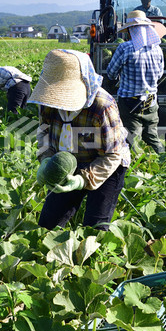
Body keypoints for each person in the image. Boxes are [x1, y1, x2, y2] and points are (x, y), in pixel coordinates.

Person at [28, 49, 130, 231]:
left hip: (107, 165)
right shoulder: (47, 102)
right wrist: (45, 160)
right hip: (67, 164)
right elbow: (43, 133)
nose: (58, 100)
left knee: (94, 228)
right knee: (47, 225)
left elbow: (113, 154)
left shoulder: (102, 107)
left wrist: (83, 180)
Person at [106, 10, 165, 154]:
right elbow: (159, 74)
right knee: (152, 136)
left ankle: (133, 169)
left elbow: (111, 73)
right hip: (151, 102)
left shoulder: (124, 48)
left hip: (130, 103)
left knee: (132, 139)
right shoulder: (157, 49)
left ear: (131, 30)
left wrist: (118, 78)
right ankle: (165, 162)